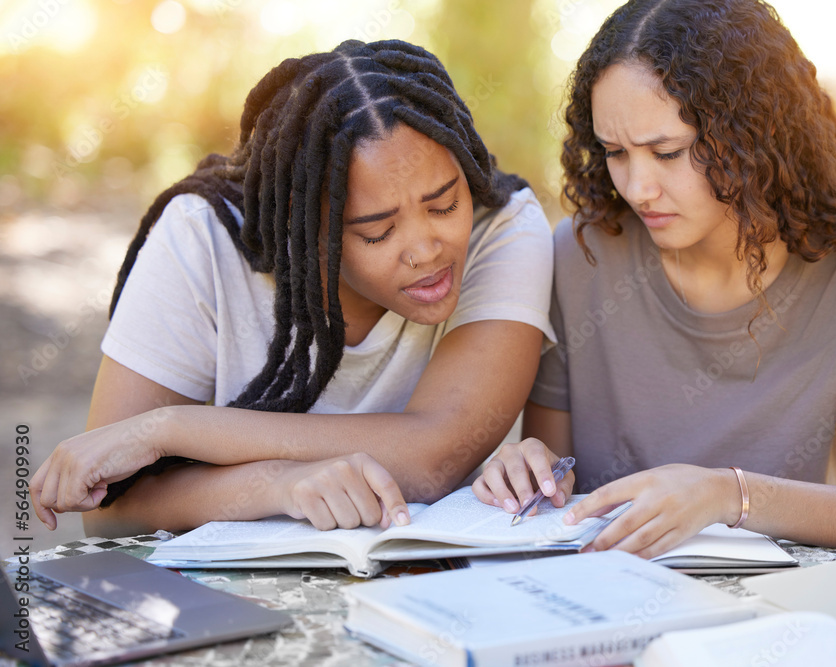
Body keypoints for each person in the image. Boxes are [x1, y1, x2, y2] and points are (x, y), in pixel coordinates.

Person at [473, 0, 836, 566]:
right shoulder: (580, 257)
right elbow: (558, 506)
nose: (638, 188)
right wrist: (526, 469)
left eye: (667, 152)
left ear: (753, 135)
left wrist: (728, 495)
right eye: (615, 153)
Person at [30, 39, 555, 538]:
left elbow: (435, 456)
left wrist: (168, 429)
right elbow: (108, 515)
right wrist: (275, 485)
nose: (426, 249)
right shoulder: (201, 238)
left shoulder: (502, 227)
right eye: (377, 231)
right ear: (305, 230)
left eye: (444, 205)